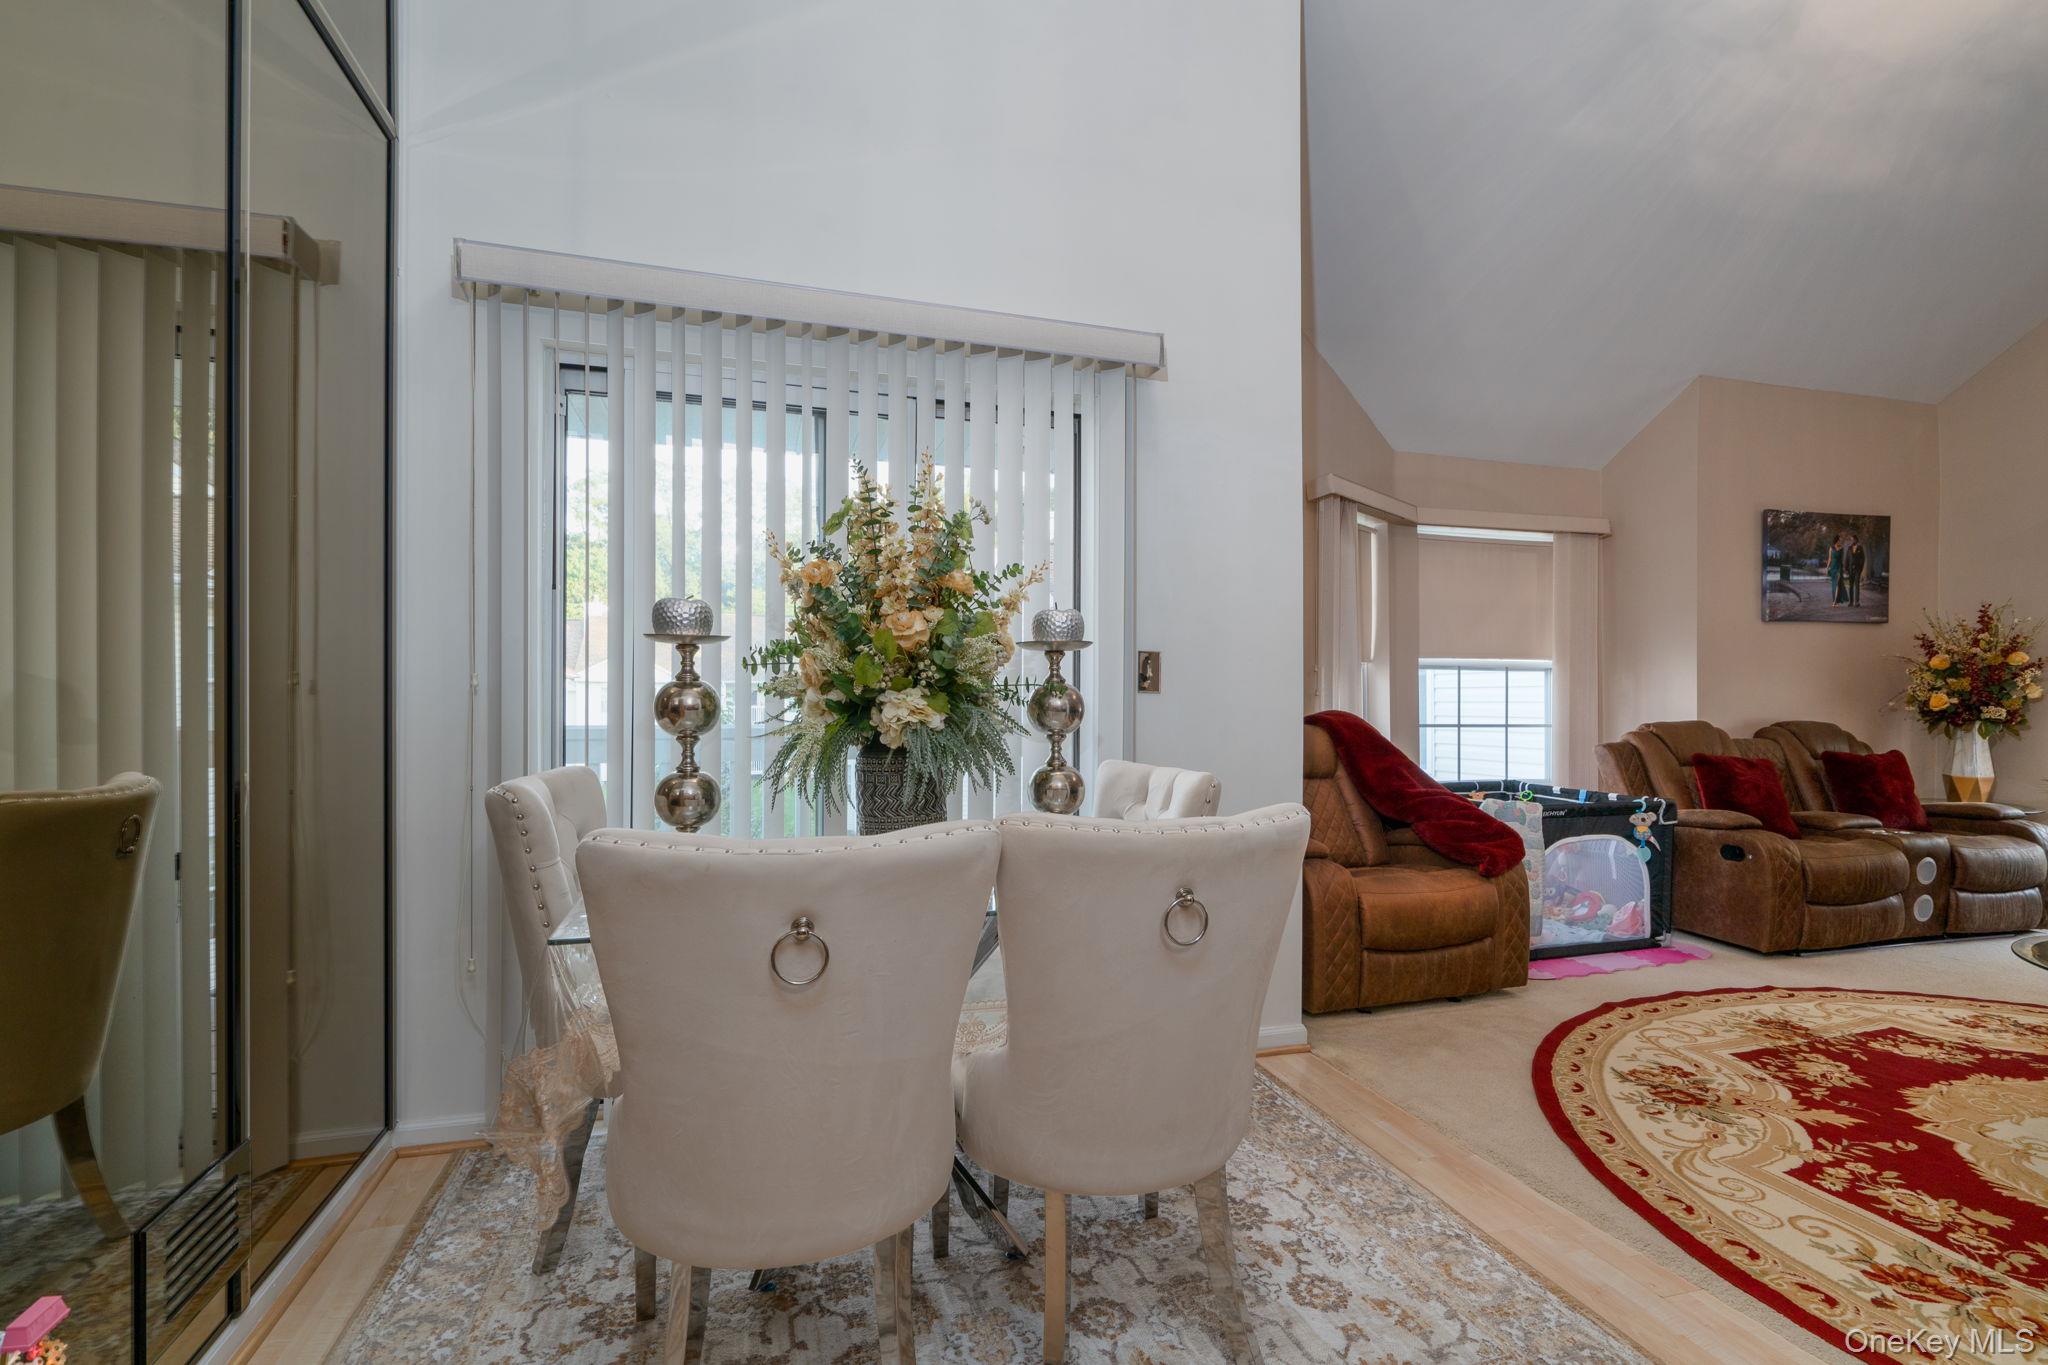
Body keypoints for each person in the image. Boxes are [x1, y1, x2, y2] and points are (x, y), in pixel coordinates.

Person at [1844, 534, 1866, 607]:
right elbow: (1846, 559)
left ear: (1856, 540)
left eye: (1853, 539)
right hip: (1850, 570)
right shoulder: (1849, 548)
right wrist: (1846, 569)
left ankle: (1857, 602)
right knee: (1851, 586)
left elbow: (1863, 559)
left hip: (1857, 570)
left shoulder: (1860, 548)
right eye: (1851, 539)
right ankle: (1851, 602)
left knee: (1857, 586)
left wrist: (1860, 569)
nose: (1852, 541)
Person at [1825, 534, 1847, 606]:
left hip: (1839, 567)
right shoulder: (1831, 548)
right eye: (1839, 540)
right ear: (1836, 540)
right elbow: (1830, 558)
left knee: (1837, 584)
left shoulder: (1842, 548)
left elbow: (1842, 559)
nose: (1840, 542)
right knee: (1834, 585)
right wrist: (1827, 568)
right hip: (1833, 568)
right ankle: (1835, 601)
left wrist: (1844, 568)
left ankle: (1835, 602)